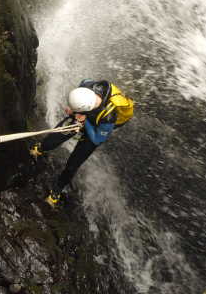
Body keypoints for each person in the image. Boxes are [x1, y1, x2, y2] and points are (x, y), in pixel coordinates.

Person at [30, 79, 133, 207]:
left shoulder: (109, 116)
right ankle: (42, 147)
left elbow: (97, 139)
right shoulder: (87, 86)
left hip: (96, 128)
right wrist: (74, 112)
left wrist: (86, 122)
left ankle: (57, 190)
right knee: (58, 134)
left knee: (74, 162)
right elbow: (77, 104)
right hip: (84, 115)